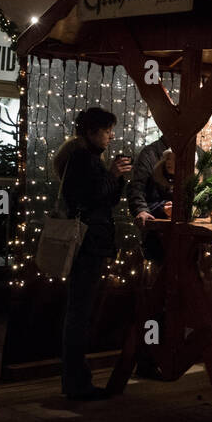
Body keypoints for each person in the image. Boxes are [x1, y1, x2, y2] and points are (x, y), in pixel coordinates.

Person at [53, 107, 132, 401]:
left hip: (92, 242)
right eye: (107, 130)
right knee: (79, 311)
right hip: (85, 243)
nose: (111, 136)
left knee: (81, 310)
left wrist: (116, 177)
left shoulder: (89, 159)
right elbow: (88, 197)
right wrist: (111, 175)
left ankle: (77, 379)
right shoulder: (81, 160)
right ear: (90, 132)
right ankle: (76, 382)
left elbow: (107, 199)